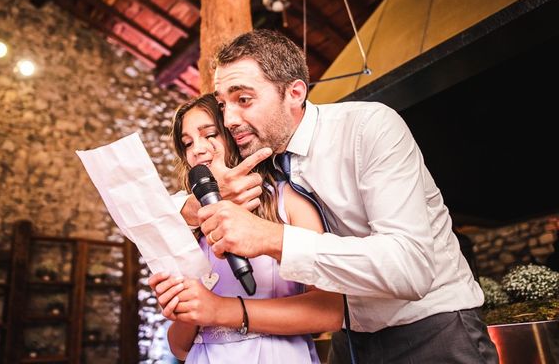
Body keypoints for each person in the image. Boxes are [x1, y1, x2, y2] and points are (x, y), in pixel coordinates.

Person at [196, 29, 499, 363]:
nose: (228, 119)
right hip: (350, 338)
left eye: (244, 100)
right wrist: (199, 201)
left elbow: (409, 266)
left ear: (295, 93)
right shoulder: (261, 158)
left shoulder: (369, 128)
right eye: (223, 104)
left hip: (434, 330)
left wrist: (272, 238)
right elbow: (167, 204)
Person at [150, 93, 343, 363]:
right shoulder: (188, 226)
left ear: (234, 134)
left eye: (210, 134)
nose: (197, 149)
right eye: (187, 143)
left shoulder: (289, 202)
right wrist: (183, 309)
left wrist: (220, 310)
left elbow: (329, 313)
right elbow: (180, 347)